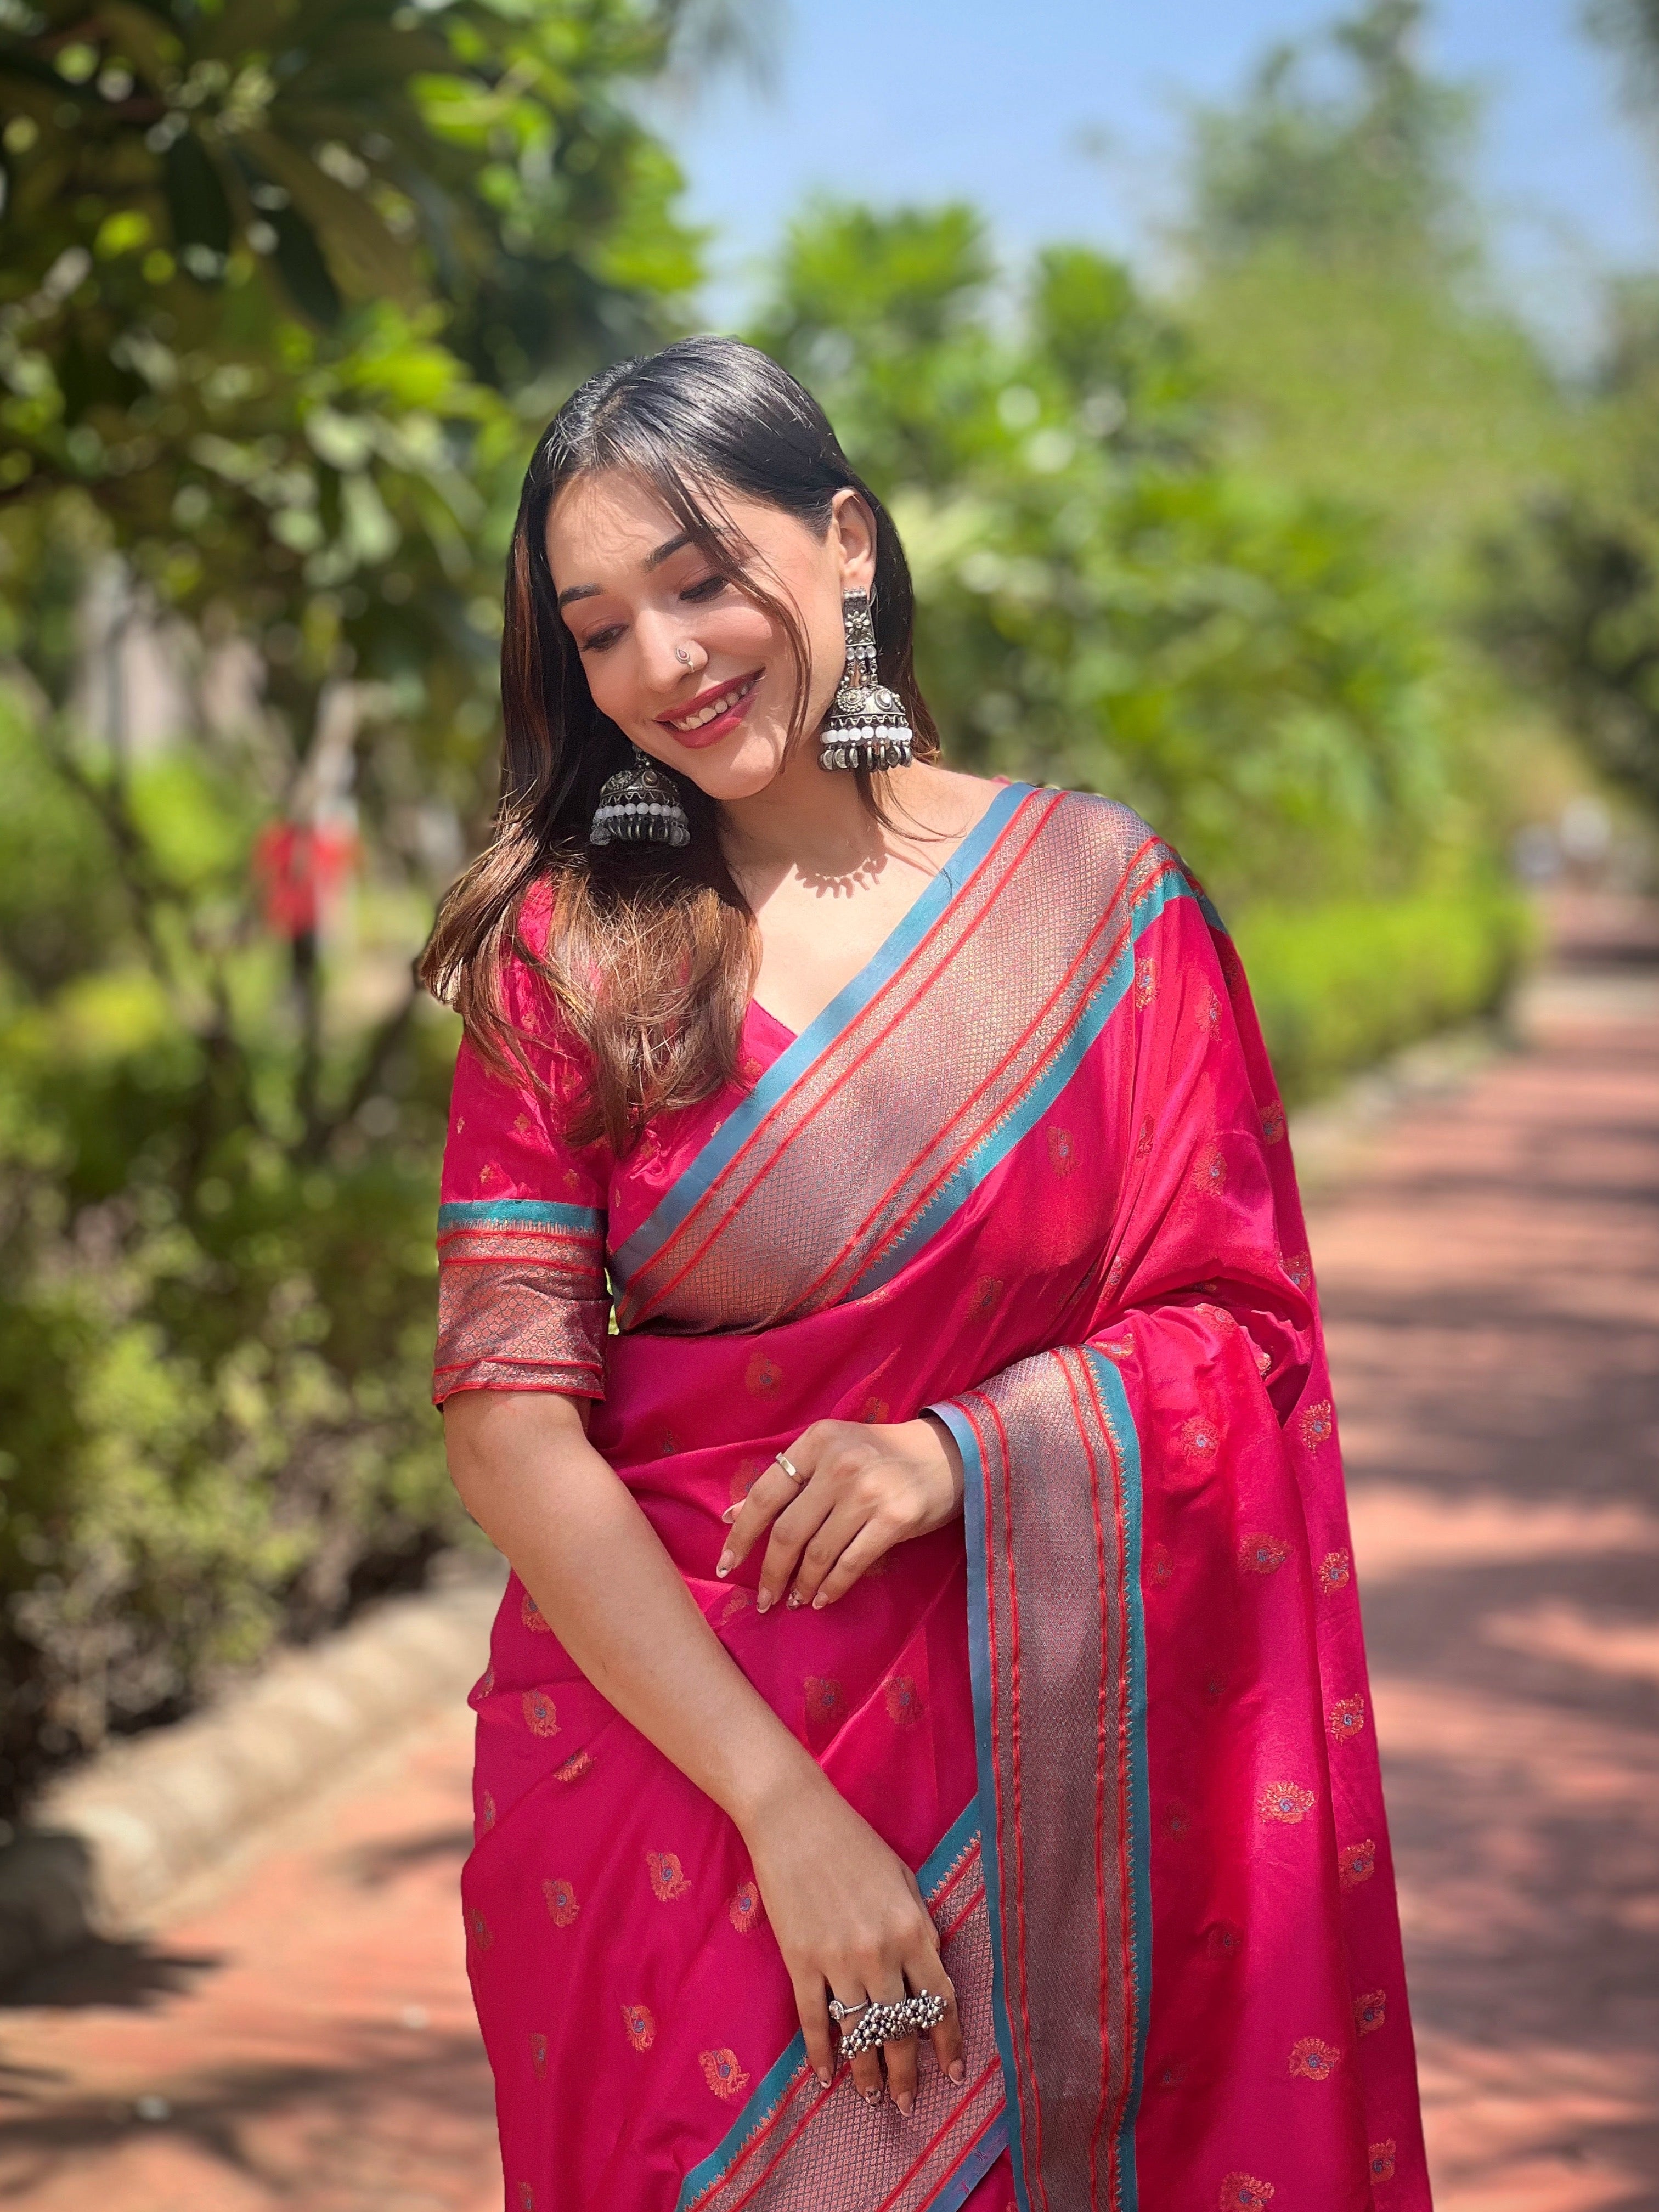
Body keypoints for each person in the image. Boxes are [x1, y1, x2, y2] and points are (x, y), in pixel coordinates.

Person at [420, 336, 1430, 2212]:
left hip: (1062, 1761)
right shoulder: (569, 956)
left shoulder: (1100, 906)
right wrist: (784, 1811)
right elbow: (506, 1428)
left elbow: (1242, 1333)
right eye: (600, 627)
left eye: (703, 581)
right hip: (677, 1781)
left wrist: (961, 1451)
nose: (662, 662)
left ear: (851, 548)